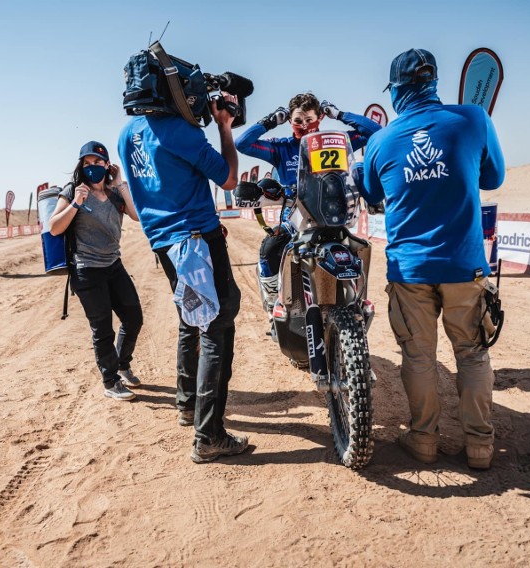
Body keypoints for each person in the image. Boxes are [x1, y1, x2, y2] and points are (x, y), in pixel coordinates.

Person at [361, 49, 505, 469]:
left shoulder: (380, 140)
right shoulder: (474, 119)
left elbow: (371, 195)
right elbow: (492, 177)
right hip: (465, 264)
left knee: (418, 357)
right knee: (473, 353)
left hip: (411, 269)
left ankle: (423, 440)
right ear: (434, 82)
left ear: (397, 90)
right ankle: (479, 445)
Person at [118, 80, 248, 464]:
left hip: (165, 242)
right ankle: (209, 435)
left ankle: (187, 404)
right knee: (216, 327)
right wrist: (224, 127)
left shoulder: (128, 133)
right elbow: (227, 178)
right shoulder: (180, 131)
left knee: (191, 320)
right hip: (196, 240)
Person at [236, 93, 382, 322]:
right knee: (270, 247)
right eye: (297, 121)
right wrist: (271, 120)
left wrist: (340, 114)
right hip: (295, 216)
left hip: (333, 214)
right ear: (289, 121)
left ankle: (358, 299)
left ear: (320, 118)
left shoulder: (337, 142)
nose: (304, 125)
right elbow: (242, 143)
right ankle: (274, 298)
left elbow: (375, 132)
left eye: (309, 119)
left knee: (358, 247)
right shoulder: (281, 148)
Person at [49, 141, 144, 402]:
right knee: (102, 329)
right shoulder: (72, 192)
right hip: (87, 270)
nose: (92, 168)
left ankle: (123, 364)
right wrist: (76, 203)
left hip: (113, 265)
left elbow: (137, 215)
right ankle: (111, 381)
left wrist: (121, 183)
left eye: (97, 163)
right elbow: (55, 228)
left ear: (107, 165)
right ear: (81, 166)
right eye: (86, 164)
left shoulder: (115, 194)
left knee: (134, 317)